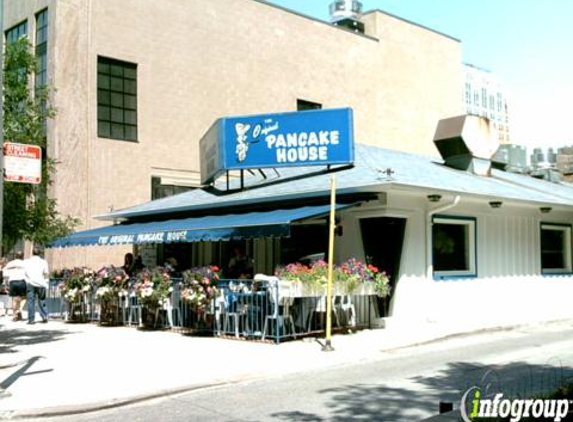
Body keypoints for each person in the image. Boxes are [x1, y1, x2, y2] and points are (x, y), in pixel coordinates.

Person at [24, 248, 50, 324]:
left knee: (30, 301)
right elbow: (46, 273)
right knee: (42, 300)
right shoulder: (43, 262)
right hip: (41, 283)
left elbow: (24, 272)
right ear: (39, 253)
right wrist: (46, 282)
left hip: (30, 282)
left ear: (32, 253)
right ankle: (44, 315)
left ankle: (31, 319)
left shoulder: (27, 262)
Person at [4, 252, 27, 321]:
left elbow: (5, 274)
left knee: (14, 299)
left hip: (13, 282)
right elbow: (28, 273)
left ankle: (14, 315)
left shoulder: (10, 263)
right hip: (21, 281)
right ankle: (19, 310)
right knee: (24, 297)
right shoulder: (25, 263)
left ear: (15, 256)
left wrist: (6, 284)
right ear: (22, 256)